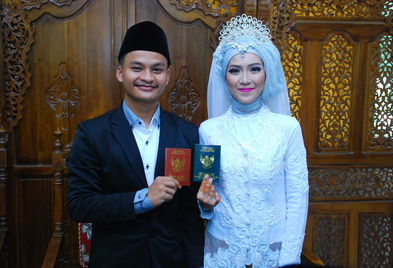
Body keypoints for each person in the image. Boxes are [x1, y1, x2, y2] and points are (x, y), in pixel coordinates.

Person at [67, 21, 204, 268]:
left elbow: (190, 215)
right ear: (120, 72)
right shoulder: (92, 133)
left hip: (171, 260)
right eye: (137, 68)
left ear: (167, 76)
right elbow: (79, 205)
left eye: (157, 69)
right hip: (115, 260)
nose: (147, 77)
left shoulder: (188, 134)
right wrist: (142, 199)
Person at [196, 14, 309, 268]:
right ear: (224, 77)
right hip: (222, 249)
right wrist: (204, 205)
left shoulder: (287, 128)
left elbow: (298, 197)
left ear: (267, 73)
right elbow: (209, 193)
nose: (245, 80)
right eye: (235, 70)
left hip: (274, 251)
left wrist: (289, 260)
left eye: (254, 69)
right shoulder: (209, 130)